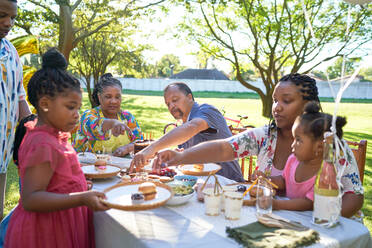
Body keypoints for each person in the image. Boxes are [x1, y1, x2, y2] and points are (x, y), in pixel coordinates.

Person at [155, 74, 364, 217]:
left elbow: (353, 197)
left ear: (309, 106)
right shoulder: (266, 135)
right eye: (274, 100)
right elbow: (224, 148)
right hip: (273, 221)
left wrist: (319, 222)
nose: (276, 108)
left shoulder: (329, 144)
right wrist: (180, 157)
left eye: (286, 101)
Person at [4, 48, 109, 248]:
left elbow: (54, 181)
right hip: (46, 233)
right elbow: (31, 199)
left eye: (78, 108)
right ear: (44, 104)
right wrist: (81, 198)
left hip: (62, 222)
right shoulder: (42, 143)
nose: (77, 114)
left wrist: (76, 185)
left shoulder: (55, 136)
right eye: (70, 107)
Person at [130, 82, 244, 182]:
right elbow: (187, 159)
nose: (171, 106)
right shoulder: (183, 128)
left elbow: (193, 126)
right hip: (201, 184)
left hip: (228, 182)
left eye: (175, 100)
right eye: (168, 104)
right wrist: (171, 156)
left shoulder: (206, 110)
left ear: (189, 97)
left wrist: (151, 149)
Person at [263, 101, 347, 211]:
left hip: (311, 224)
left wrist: (276, 204)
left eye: (298, 140)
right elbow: (284, 181)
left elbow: (309, 203)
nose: (292, 145)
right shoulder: (292, 160)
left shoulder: (326, 174)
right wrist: (267, 180)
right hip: (290, 219)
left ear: (319, 147)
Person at [0, 0, 31, 220]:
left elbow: (19, 94)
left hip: (3, 149)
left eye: (12, 18)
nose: (8, 23)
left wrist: (33, 126)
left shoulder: (11, 51)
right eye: (2, 15)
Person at [73, 73, 143, 156]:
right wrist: (113, 123)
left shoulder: (127, 117)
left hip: (120, 166)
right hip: (87, 166)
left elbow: (140, 141)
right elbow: (94, 127)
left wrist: (127, 148)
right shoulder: (88, 116)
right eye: (108, 97)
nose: (113, 101)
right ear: (99, 97)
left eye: (117, 97)